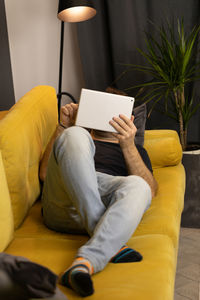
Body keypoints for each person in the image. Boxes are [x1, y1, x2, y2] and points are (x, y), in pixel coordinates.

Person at [39, 102, 158, 297]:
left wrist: (128, 144)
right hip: (63, 204)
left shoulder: (135, 149)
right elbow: (44, 174)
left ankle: (85, 263)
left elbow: (150, 193)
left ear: (129, 119)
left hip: (108, 205)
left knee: (140, 186)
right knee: (76, 134)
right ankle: (106, 237)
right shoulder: (75, 137)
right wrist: (64, 126)